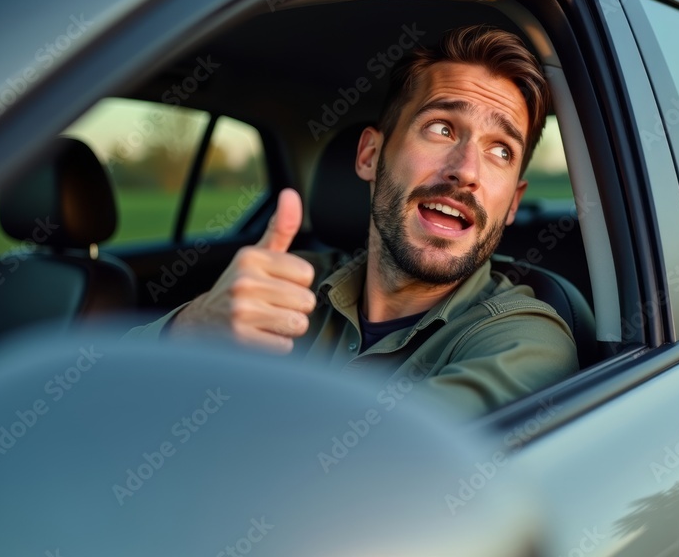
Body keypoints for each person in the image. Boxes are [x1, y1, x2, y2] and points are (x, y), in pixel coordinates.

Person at [127, 25, 578, 419]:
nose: (466, 170)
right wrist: (192, 329)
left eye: (501, 150)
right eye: (442, 128)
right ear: (370, 156)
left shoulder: (525, 343)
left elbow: (358, 469)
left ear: (513, 203)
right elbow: (108, 386)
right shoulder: (287, 283)